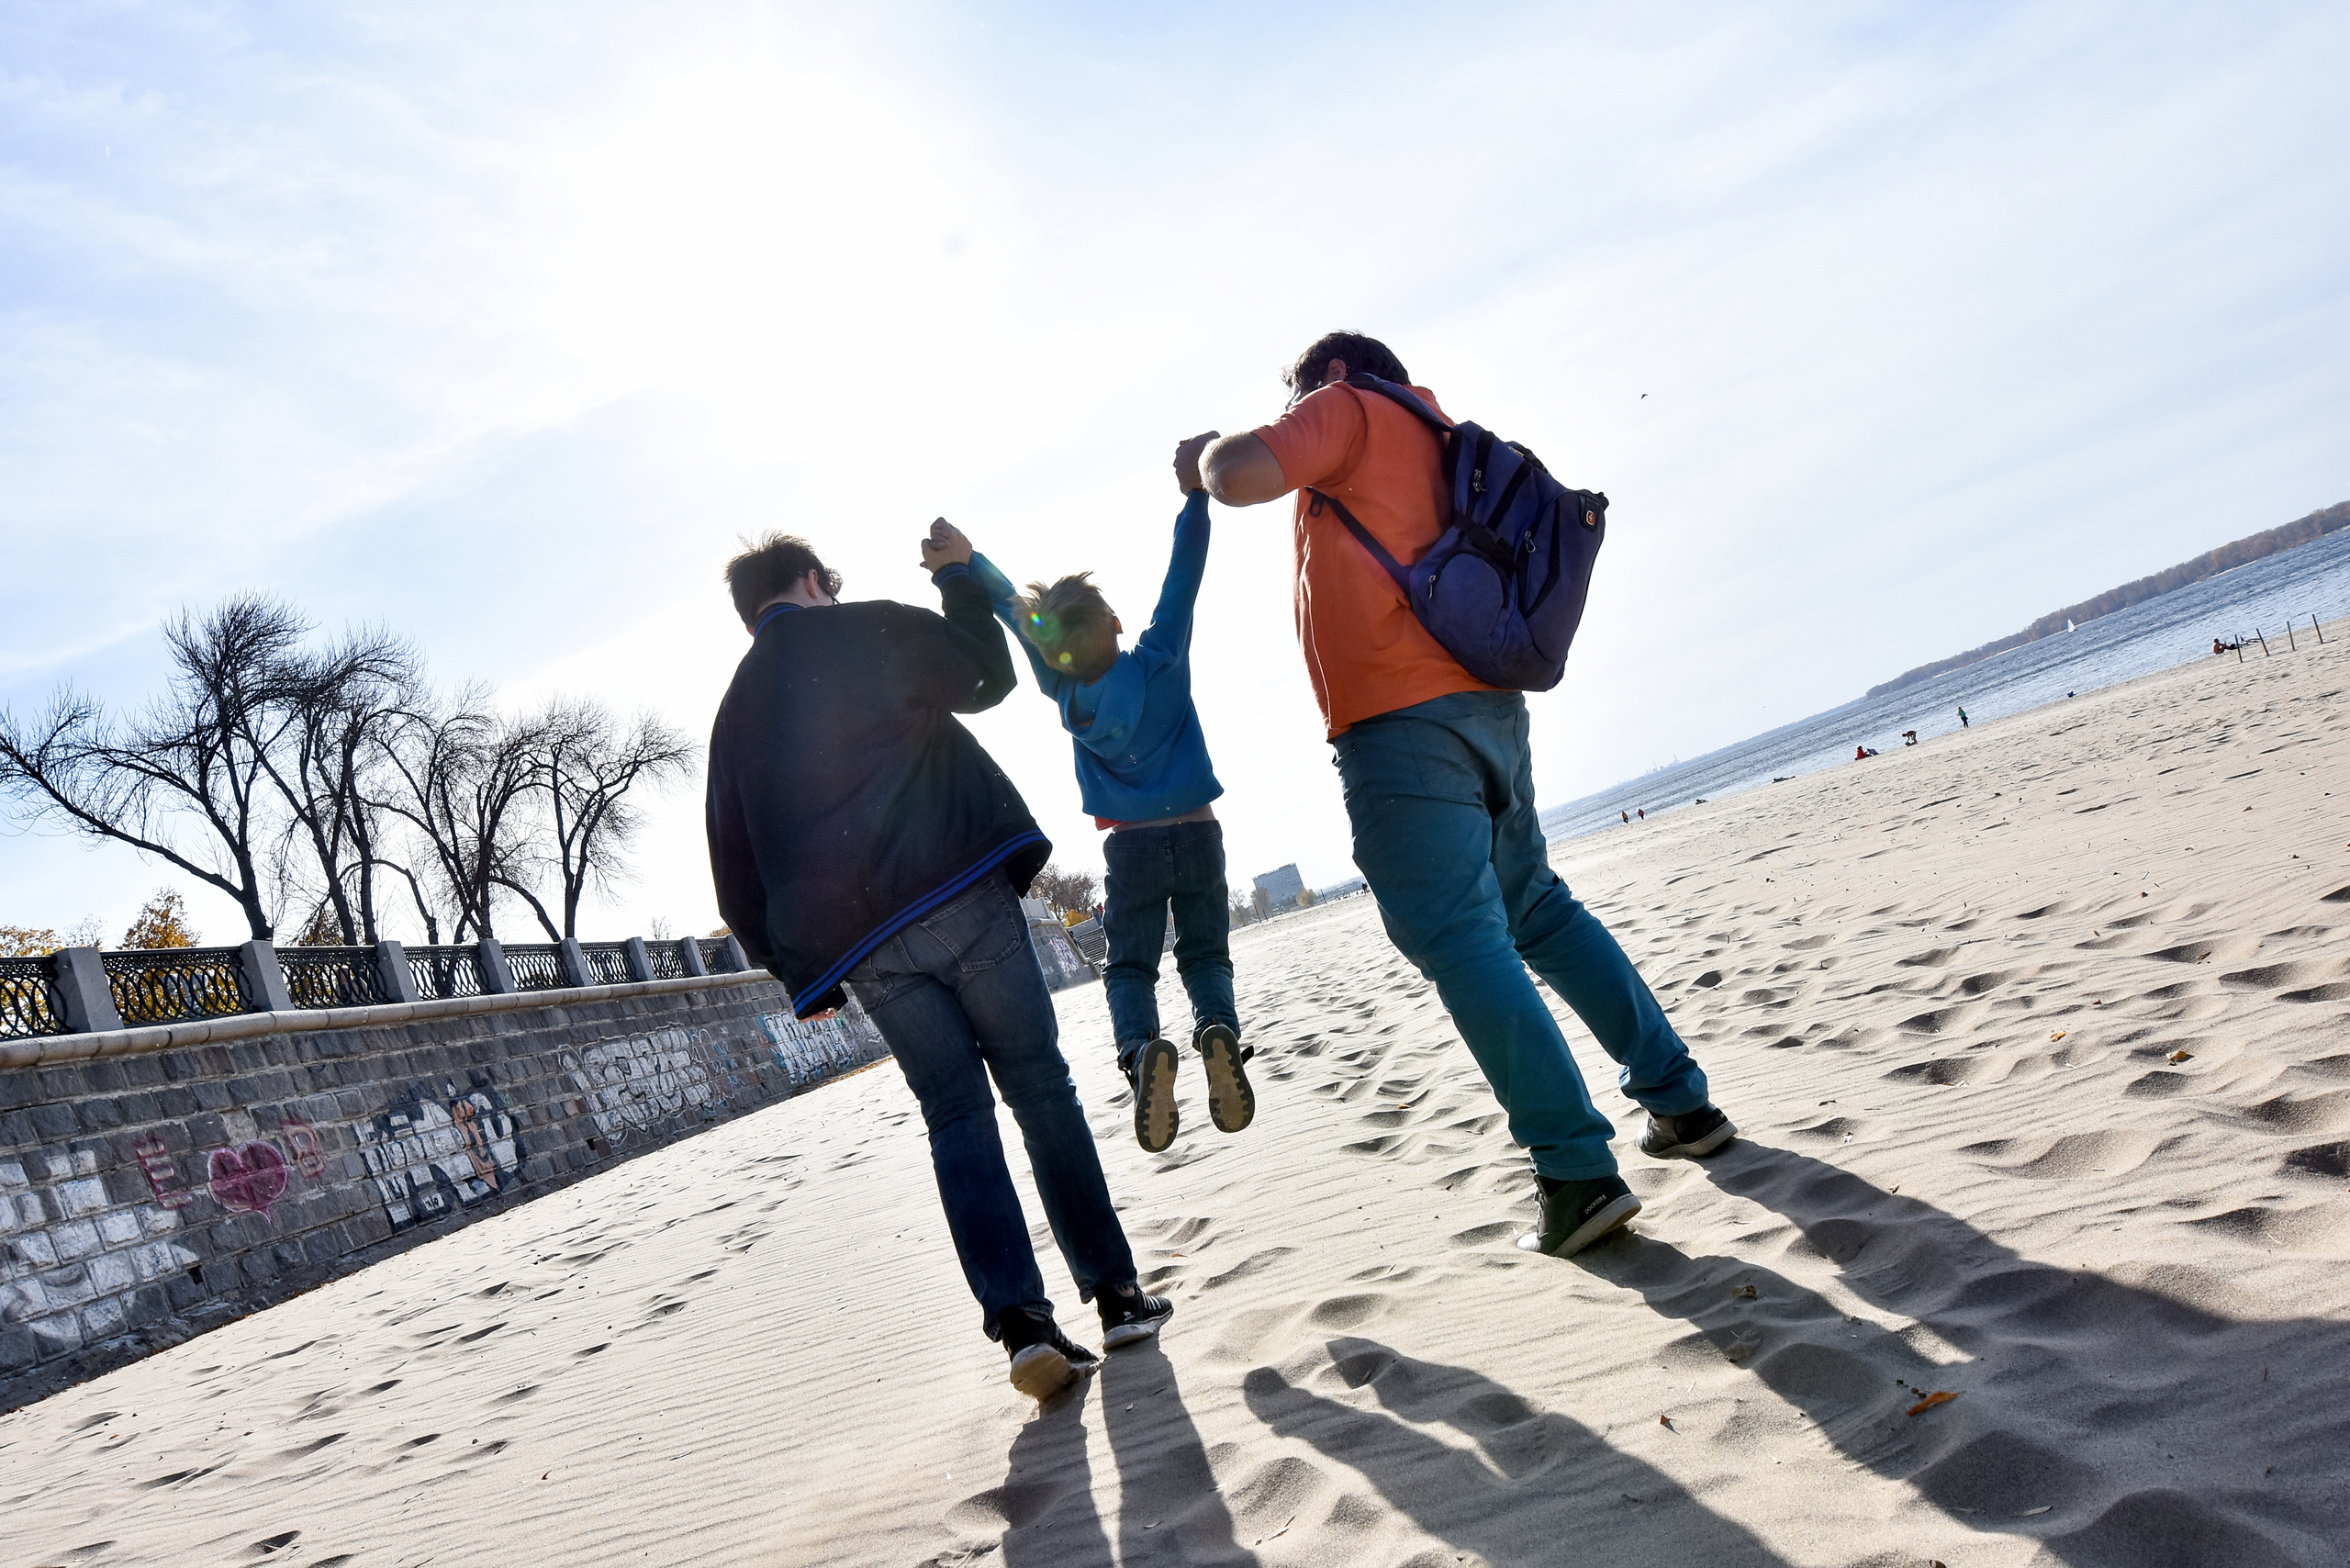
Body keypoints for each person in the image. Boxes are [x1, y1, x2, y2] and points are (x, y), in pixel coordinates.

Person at [1197, 330, 1734, 1260]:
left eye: (1296, 397)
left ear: (1327, 375)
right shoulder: (1436, 433)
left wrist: (1205, 455)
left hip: (1400, 732)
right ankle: (1680, 1102)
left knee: (1459, 935)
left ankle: (1575, 1172)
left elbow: (1238, 474)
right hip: (1486, 710)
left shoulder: (1348, 406)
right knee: (1535, 908)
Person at [704, 528, 1171, 1400]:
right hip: (959, 888)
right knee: (1039, 1089)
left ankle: (1022, 1325)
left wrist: (794, 972)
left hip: (865, 947)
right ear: (811, 581)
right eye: (828, 583)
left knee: (954, 1116)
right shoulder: (866, 629)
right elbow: (985, 678)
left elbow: (733, 868)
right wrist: (956, 578)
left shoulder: (735, 714)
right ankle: (1115, 1297)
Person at [966, 433, 1252, 1155]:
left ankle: (1139, 1053)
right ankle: (1217, 1028)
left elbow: (1011, 610)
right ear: (1116, 624)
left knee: (1130, 966)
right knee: (1205, 954)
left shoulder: (1063, 691)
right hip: (1198, 832)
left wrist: (968, 563)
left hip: (1129, 847)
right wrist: (1192, 495)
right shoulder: (1159, 659)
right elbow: (1184, 575)